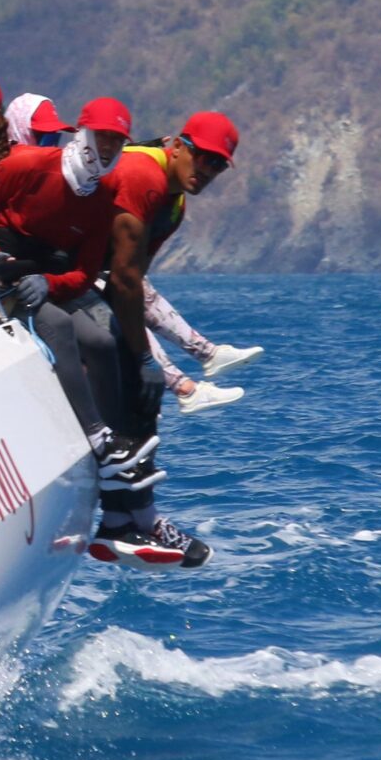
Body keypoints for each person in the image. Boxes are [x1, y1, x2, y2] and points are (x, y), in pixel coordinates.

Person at [0, 99, 171, 505]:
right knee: (62, 327)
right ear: (81, 134)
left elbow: (84, 273)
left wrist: (48, 283)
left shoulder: (105, 196)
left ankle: (114, 441)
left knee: (101, 342)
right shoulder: (30, 163)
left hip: (38, 275)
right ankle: (97, 437)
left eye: (117, 141)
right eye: (102, 136)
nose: (107, 148)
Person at [79, 110, 249, 565]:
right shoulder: (142, 174)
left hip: (97, 284)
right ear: (177, 145)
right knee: (138, 386)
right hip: (68, 279)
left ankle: (133, 519)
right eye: (202, 158)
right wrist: (144, 358)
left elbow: (136, 280)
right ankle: (126, 521)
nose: (206, 171)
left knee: (144, 392)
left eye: (217, 166)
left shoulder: (173, 201)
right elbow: (124, 280)